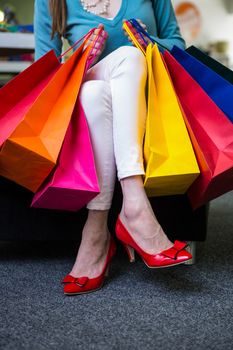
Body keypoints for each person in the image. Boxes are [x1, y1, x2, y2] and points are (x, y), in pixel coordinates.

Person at [34, 0, 192, 296]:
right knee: (94, 88)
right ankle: (134, 209)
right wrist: (80, 59)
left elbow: (178, 45)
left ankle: (96, 234)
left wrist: (149, 42)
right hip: (85, 93)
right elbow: (45, 69)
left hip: (144, 99)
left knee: (124, 63)